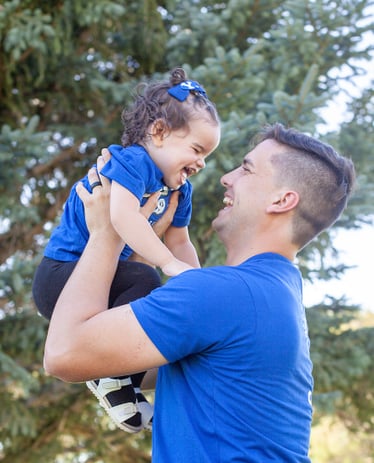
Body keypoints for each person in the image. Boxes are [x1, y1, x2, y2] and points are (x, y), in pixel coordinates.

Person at [43, 123, 356, 462]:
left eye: (247, 169)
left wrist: (108, 231)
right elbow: (124, 358)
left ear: (281, 200)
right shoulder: (272, 294)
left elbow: (64, 353)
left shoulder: (225, 294)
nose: (227, 177)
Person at [32, 67, 220, 433]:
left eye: (207, 156)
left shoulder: (179, 190)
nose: (200, 163)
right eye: (197, 149)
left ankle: (123, 383)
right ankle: (114, 380)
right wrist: (166, 263)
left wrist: (199, 286)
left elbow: (180, 240)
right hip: (61, 276)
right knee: (145, 278)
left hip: (107, 283)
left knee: (148, 297)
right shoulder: (131, 162)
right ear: (159, 132)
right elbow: (120, 217)